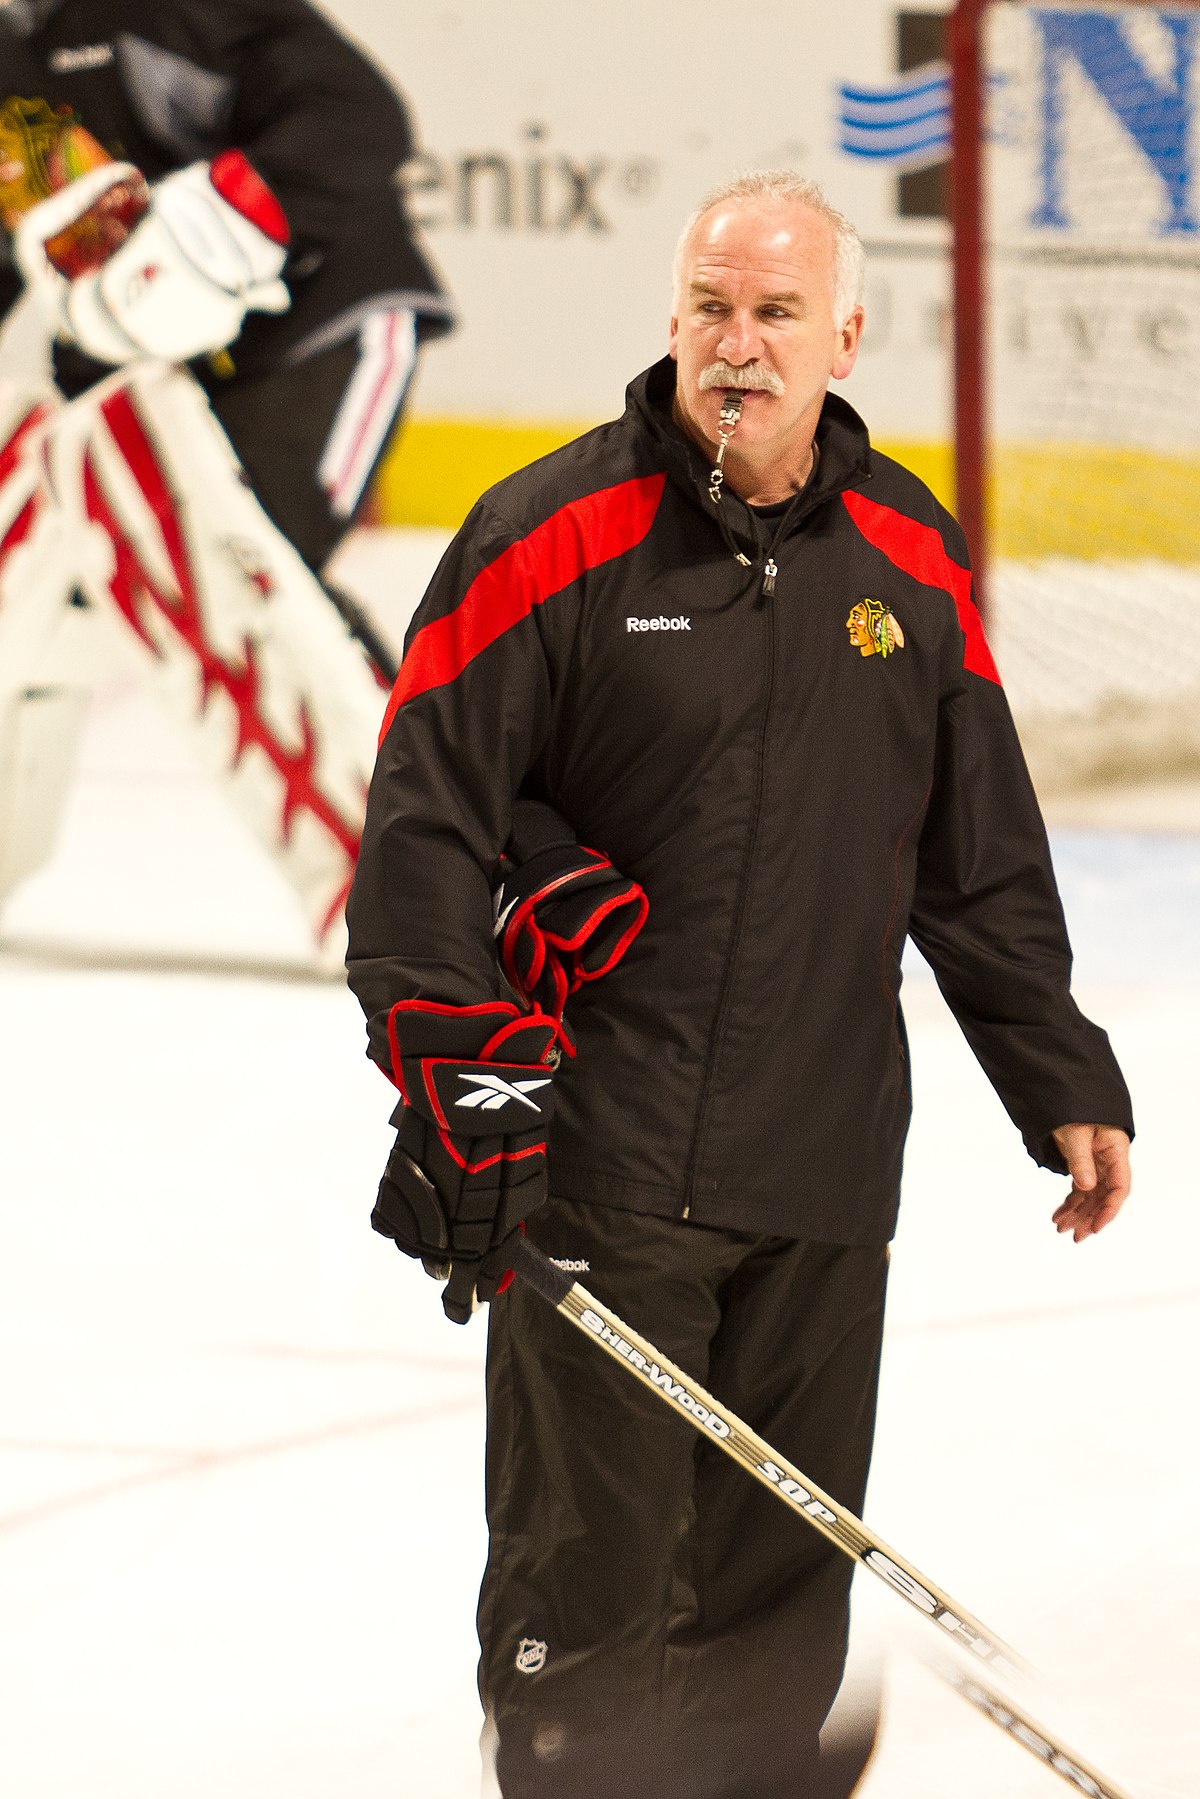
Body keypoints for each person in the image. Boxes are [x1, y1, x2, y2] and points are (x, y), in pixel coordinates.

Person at [345, 170, 1134, 1798]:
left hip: (824, 1167)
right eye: (713, 306)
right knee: (588, 1617)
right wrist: (455, 1067)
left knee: (776, 1631)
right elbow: (422, 830)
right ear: (674, 319)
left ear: (847, 332)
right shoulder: (544, 534)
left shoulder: (910, 554)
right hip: (601, 1166)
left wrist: (1055, 1068)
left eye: (779, 313)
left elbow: (972, 847)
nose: (740, 345)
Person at [0, 0, 451, 957]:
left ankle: (428, 876)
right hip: (146, 370)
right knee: (81, 534)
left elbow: (357, 115)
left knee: (253, 560)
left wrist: (233, 212)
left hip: (319, 320)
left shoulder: (167, 9)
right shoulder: (9, 50)